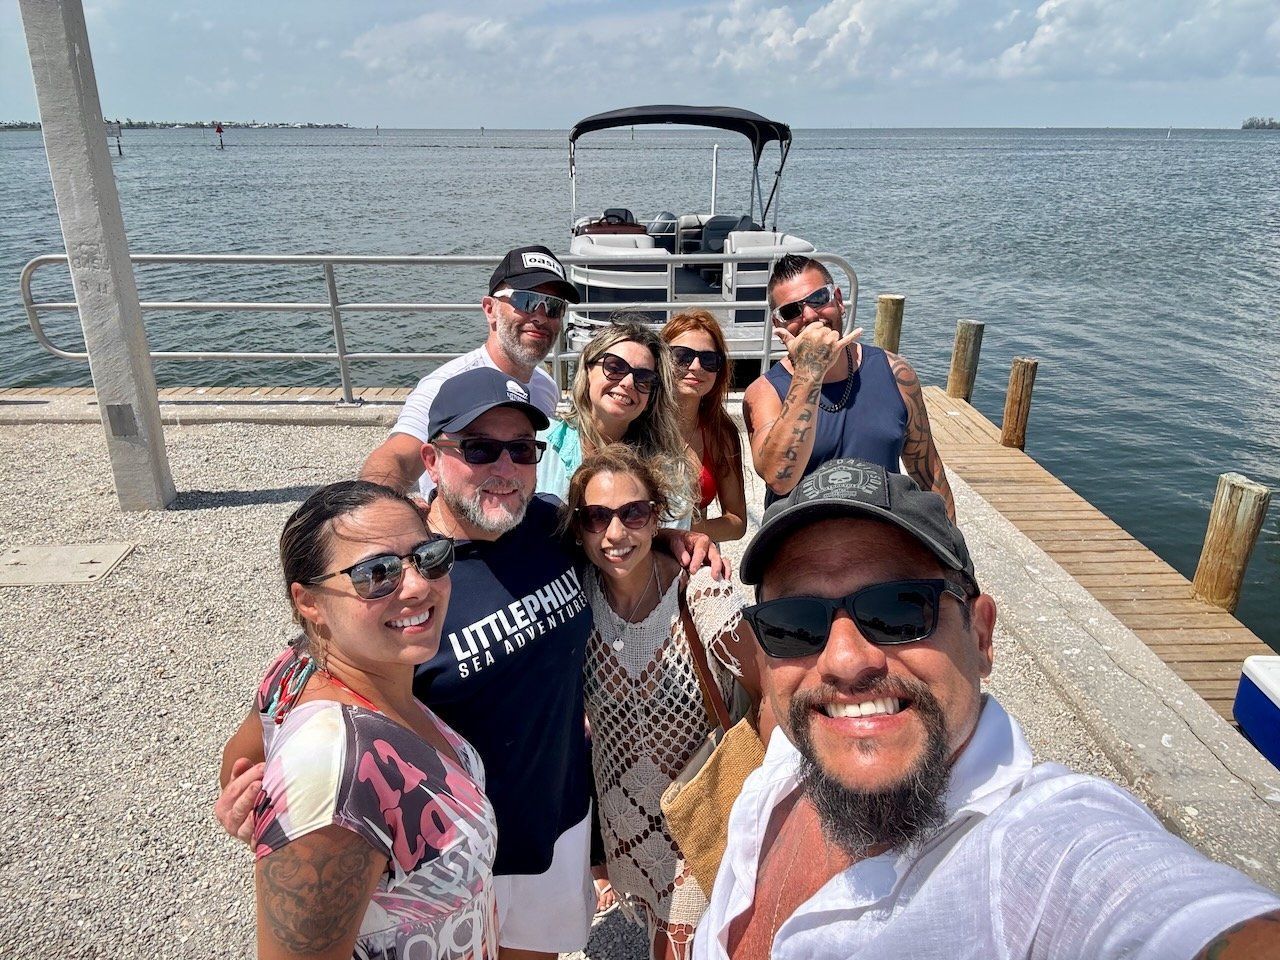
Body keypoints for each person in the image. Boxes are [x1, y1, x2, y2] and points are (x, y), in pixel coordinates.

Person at [219, 368, 729, 960]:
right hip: (450, 856)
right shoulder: (396, 588)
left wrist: (671, 537)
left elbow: (615, 535)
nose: (504, 469)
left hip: (559, 825)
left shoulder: (548, 525)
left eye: (521, 450)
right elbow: (273, 723)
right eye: (480, 449)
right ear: (432, 460)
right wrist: (255, 792)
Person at [693, 458, 1280, 960]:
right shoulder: (782, 767)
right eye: (795, 624)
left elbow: (1151, 907)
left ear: (980, 635)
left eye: (898, 609)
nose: (844, 661)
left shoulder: (1035, 848)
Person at [233, 479, 499, 960]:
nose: (417, 585)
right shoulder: (331, 768)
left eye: (430, 556)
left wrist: (253, 804)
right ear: (309, 602)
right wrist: (301, 802)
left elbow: (242, 756)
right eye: (376, 574)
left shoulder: (295, 667)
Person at [564, 445, 760, 960]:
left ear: (657, 517)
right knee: (657, 927)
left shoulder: (698, 589)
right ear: (578, 527)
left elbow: (771, 682)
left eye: (634, 513)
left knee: (683, 941)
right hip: (625, 818)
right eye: (596, 517)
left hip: (702, 809)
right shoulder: (576, 596)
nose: (615, 533)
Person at [742, 254, 955, 517]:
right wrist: (810, 371)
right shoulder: (764, 392)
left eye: (819, 298)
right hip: (801, 542)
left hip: (885, 535)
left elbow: (929, 472)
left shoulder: (895, 373)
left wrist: (952, 549)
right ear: (778, 324)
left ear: (839, 301)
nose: (809, 315)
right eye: (790, 311)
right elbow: (779, 478)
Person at [361, 244, 577, 498]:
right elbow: (395, 458)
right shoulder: (445, 386)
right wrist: (387, 512)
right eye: (526, 301)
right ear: (490, 309)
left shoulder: (545, 386)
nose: (540, 318)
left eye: (553, 307)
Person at [536, 319, 691, 509]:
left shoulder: (668, 474)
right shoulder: (537, 444)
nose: (628, 382)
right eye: (614, 367)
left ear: (651, 396)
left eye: (643, 377)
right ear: (588, 370)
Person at [661, 310, 748, 542]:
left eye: (709, 360)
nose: (696, 366)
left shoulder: (720, 432)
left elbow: (737, 522)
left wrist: (679, 529)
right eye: (682, 356)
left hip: (692, 551)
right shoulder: (636, 422)